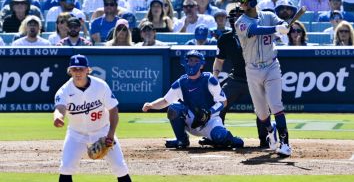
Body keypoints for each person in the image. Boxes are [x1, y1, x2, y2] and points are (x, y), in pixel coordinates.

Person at [142, 50, 244, 149]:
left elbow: (223, 102)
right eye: (190, 60)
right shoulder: (181, 82)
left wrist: (209, 112)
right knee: (174, 108)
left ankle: (229, 138)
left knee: (220, 137)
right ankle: (181, 139)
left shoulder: (209, 79)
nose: (192, 63)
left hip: (210, 120)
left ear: (201, 65)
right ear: (185, 63)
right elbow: (165, 101)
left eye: (196, 61)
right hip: (191, 121)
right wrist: (151, 105)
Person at [53, 54, 132, 182]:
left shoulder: (100, 86)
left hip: (102, 131)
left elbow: (113, 110)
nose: (78, 72)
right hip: (76, 134)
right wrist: (58, 117)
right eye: (74, 69)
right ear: (69, 71)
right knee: (66, 167)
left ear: (88, 70)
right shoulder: (64, 91)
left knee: (120, 167)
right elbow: (59, 108)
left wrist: (110, 134)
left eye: (81, 69)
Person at [235, 0, 292, 157]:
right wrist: (276, 28)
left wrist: (284, 28)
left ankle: (285, 143)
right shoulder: (240, 22)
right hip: (252, 69)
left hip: (271, 66)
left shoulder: (268, 16)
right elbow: (255, 30)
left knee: (276, 105)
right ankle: (270, 131)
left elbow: (282, 27)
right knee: (261, 112)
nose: (243, 3)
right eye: (241, 1)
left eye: (245, 0)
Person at [210, 6, 270, 148]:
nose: (237, 19)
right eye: (234, 17)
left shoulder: (256, 34)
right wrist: (214, 78)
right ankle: (217, 136)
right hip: (236, 77)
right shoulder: (225, 38)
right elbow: (219, 60)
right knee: (219, 103)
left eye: (240, 16)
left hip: (255, 77)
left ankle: (265, 138)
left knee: (263, 108)